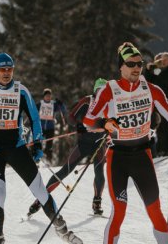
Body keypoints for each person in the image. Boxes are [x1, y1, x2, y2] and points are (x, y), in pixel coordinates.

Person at [84, 42, 168, 244]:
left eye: (140, 64)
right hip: (118, 157)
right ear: (121, 67)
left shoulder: (150, 89)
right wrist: (107, 123)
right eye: (131, 64)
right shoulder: (109, 90)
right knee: (119, 211)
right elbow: (89, 120)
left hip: (142, 156)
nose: (136, 68)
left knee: (155, 210)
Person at [0, 53, 81, 244]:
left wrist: (37, 144)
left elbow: (35, 120)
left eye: (10, 69)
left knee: (40, 191)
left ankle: (61, 228)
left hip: (16, 148)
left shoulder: (21, 92)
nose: (7, 73)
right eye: (2, 69)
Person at [27, 78, 109, 218]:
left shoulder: (110, 104)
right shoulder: (87, 101)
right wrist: (79, 124)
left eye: (105, 91)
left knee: (100, 172)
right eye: (99, 90)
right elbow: (71, 117)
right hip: (83, 144)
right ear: (95, 91)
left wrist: (109, 130)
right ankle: (40, 199)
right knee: (65, 171)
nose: (102, 93)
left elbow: (116, 122)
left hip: (99, 143)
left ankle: (97, 202)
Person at [37, 88, 67, 162]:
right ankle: (36, 157)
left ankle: (48, 159)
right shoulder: (40, 104)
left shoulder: (54, 104)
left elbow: (63, 109)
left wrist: (60, 103)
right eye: (46, 96)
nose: (48, 97)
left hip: (50, 127)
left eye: (49, 96)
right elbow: (33, 110)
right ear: (43, 96)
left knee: (49, 144)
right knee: (38, 142)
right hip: (40, 126)